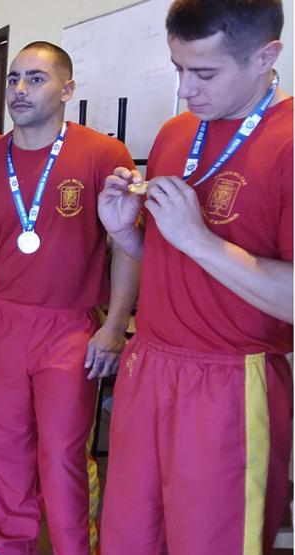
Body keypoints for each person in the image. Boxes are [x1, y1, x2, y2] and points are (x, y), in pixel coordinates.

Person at [98, 1, 292, 553]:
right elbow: (171, 261)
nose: (185, 89)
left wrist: (200, 239)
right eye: (179, 68)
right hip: (149, 365)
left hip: (229, 384)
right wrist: (125, 234)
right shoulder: (177, 133)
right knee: (129, 539)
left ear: (266, 56)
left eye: (204, 72)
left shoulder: (288, 141)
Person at [0, 42, 138, 555]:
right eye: (14, 78)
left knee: (63, 455)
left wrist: (114, 326)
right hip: (0, 323)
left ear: (67, 89)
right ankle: (9, 542)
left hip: (69, 327)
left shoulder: (103, 155)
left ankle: (74, 546)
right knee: (2, 447)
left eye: (36, 78)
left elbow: (128, 246)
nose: (19, 89)